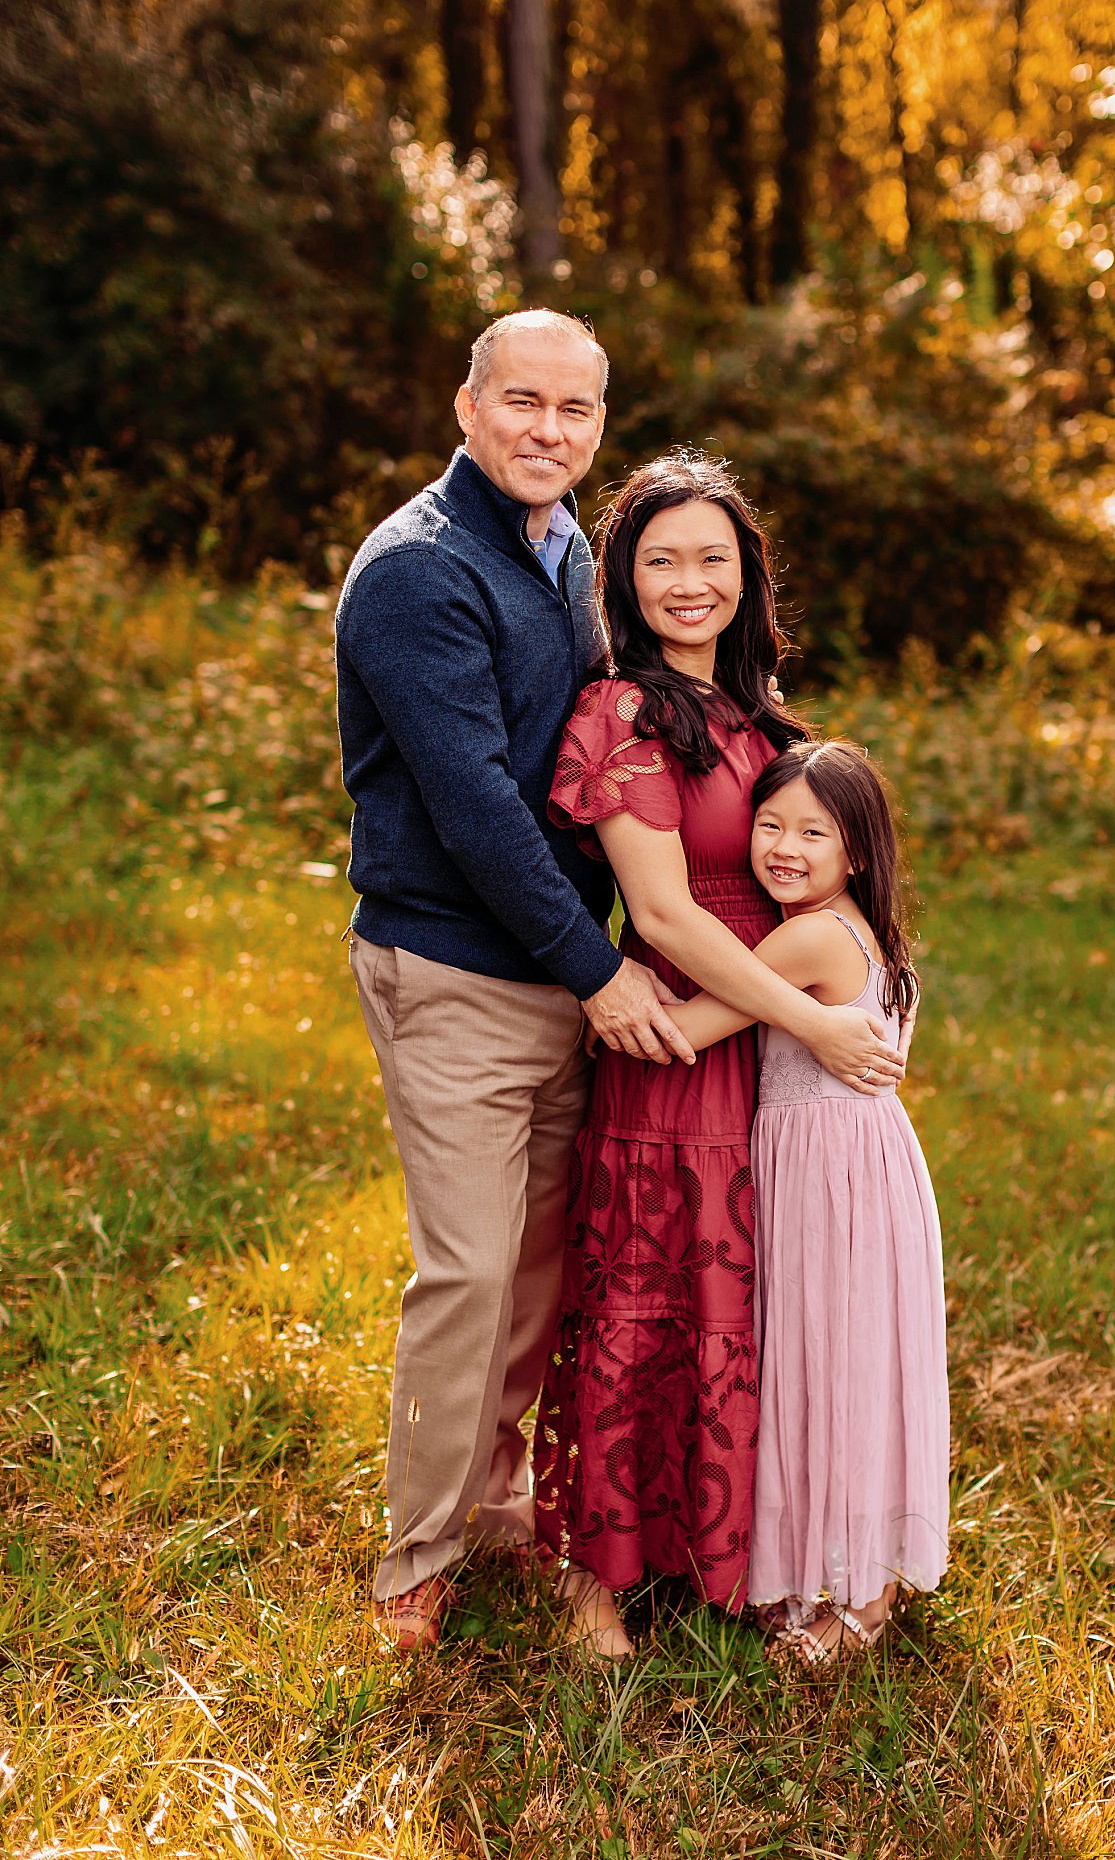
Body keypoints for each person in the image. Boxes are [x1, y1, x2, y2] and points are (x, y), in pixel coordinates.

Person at [335, 310, 697, 1654]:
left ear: (600, 423)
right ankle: (414, 1558)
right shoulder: (419, 574)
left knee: (542, 1270)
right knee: (470, 1271)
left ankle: (496, 1500)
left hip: (556, 969)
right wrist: (600, 968)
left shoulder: (557, 556)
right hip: (456, 970)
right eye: (522, 402)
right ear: (466, 405)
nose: (548, 430)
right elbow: (479, 806)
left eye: (576, 410)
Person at [533, 452, 907, 1661]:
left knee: (744, 1305)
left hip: (759, 1053)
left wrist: (827, 999)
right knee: (643, 1294)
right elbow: (674, 914)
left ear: (747, 574)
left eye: (712, 558)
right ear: (621, 581)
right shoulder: (624, 712)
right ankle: (598, 1582)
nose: (688, 583)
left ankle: (721, 1549)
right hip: (676, 1031)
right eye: (659, 560)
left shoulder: (758, 717)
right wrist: (812, 1018)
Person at [665, 739, 950, 1664]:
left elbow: (689, 1028)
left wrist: (603, 990)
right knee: (847, 1365)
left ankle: (859, 1597)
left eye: (812, 833)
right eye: (770, 825)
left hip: (826, 1176)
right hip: (863, 1166)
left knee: (824, 1364)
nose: (783, 847)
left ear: (855, 851)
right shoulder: (869, 929)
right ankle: (845, 1569)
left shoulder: (811, 936)